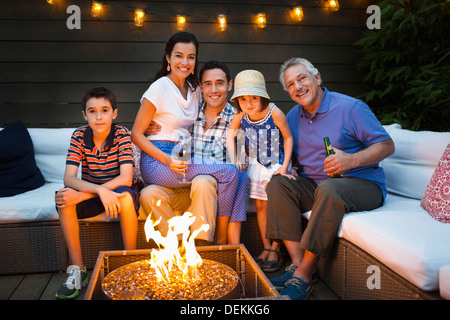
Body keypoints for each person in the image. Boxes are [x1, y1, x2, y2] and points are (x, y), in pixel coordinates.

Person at [266, 57, 395, 300]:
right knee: (278, 183)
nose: (297, 87)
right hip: (317, 187)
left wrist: (350, 160)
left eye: (302, 78)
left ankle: (304, 275)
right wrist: (290, 167)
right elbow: (292, 151)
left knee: (330, 188)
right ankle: (296, 264)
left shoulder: (351, 108)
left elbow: (387, 146)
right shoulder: (294, 116)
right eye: (290, 84)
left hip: (362, 185)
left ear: (318, 77)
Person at [131, 33, 246, 245]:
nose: (185, 62)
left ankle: (192, 248)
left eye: (191, 57)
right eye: (179, 56)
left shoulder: (196, 92)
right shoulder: (160, 88)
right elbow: (136, 133)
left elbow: (240, 157)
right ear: (168, 58)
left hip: (186, 166)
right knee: (229, 172)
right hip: (161, 161)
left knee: (232, 173)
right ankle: (198, 247)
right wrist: (164, 156)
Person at [54, 87, 139, 299]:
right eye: (92, 111)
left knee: (126, 198)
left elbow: (126, 178)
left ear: (114, 113)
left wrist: (87, 193)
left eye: (104, 110)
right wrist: (99, 191)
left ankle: (130, 263)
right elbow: (70, 178)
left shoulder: (121, 135)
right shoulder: (79, 136)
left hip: (118, 189)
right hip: (95, 189)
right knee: (64, 198)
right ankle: (77, 270)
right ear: (84, 115)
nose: (99, 116)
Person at [226, 70, 293, 272]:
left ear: (262, 96)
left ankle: (276, 248)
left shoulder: (275, 113)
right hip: (256, 164)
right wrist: (235, 158)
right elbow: (230, 134)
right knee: (261, 207)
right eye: (243, 99)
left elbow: (288, 138)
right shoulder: (240, 115)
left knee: (275, 206)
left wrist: (284, 166)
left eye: (253, 98)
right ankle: (266, 247)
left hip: (276, 164)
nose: (249, 103)